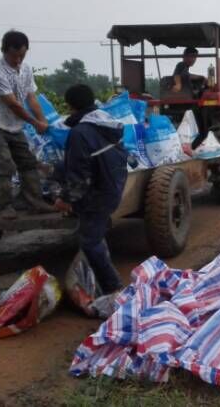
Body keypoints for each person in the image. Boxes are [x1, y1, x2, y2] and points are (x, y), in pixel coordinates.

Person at [54, 84, 127, 295]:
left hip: (98, 195)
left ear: (71, 106)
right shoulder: (106, 122)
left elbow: (80, 176)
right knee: (60, 167)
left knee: (90, 243)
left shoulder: (80, 133)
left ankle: (114, 289)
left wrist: (66, 199)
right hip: (112, 184)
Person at [0, 30, 56, 219]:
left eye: (22, 55)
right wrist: (34, 123)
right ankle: (5, 206)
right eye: (14, 56)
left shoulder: (26, 69)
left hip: (13, 125)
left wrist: (42, 120)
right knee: (6, 164)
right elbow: (13, 104)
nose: (18, 60)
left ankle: (36, 202)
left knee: (27, 162)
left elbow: (31, 98)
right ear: (4, 50)